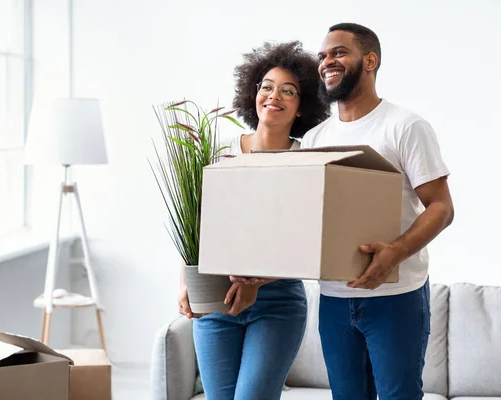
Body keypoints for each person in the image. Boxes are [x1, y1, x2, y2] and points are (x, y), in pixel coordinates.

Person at [301, 23, 455, 399]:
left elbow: (442, 207)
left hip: (396, 297)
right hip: (333, 300)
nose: (326, 62)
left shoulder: (405, 126)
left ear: (370, 61)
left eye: (338, 52)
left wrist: (395, 252)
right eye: (322, 55)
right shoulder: (315, 138)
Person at [178, 41, 330, 400]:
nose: (274, 95)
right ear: (253, 93)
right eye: (267, 86)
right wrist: (186, 281)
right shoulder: (221, 149)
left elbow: (310, 238)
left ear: (301, 106)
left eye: (288, 91)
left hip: (278, 303)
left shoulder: (309, 159)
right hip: (214, 295)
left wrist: (256, 282)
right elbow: (195, 223)